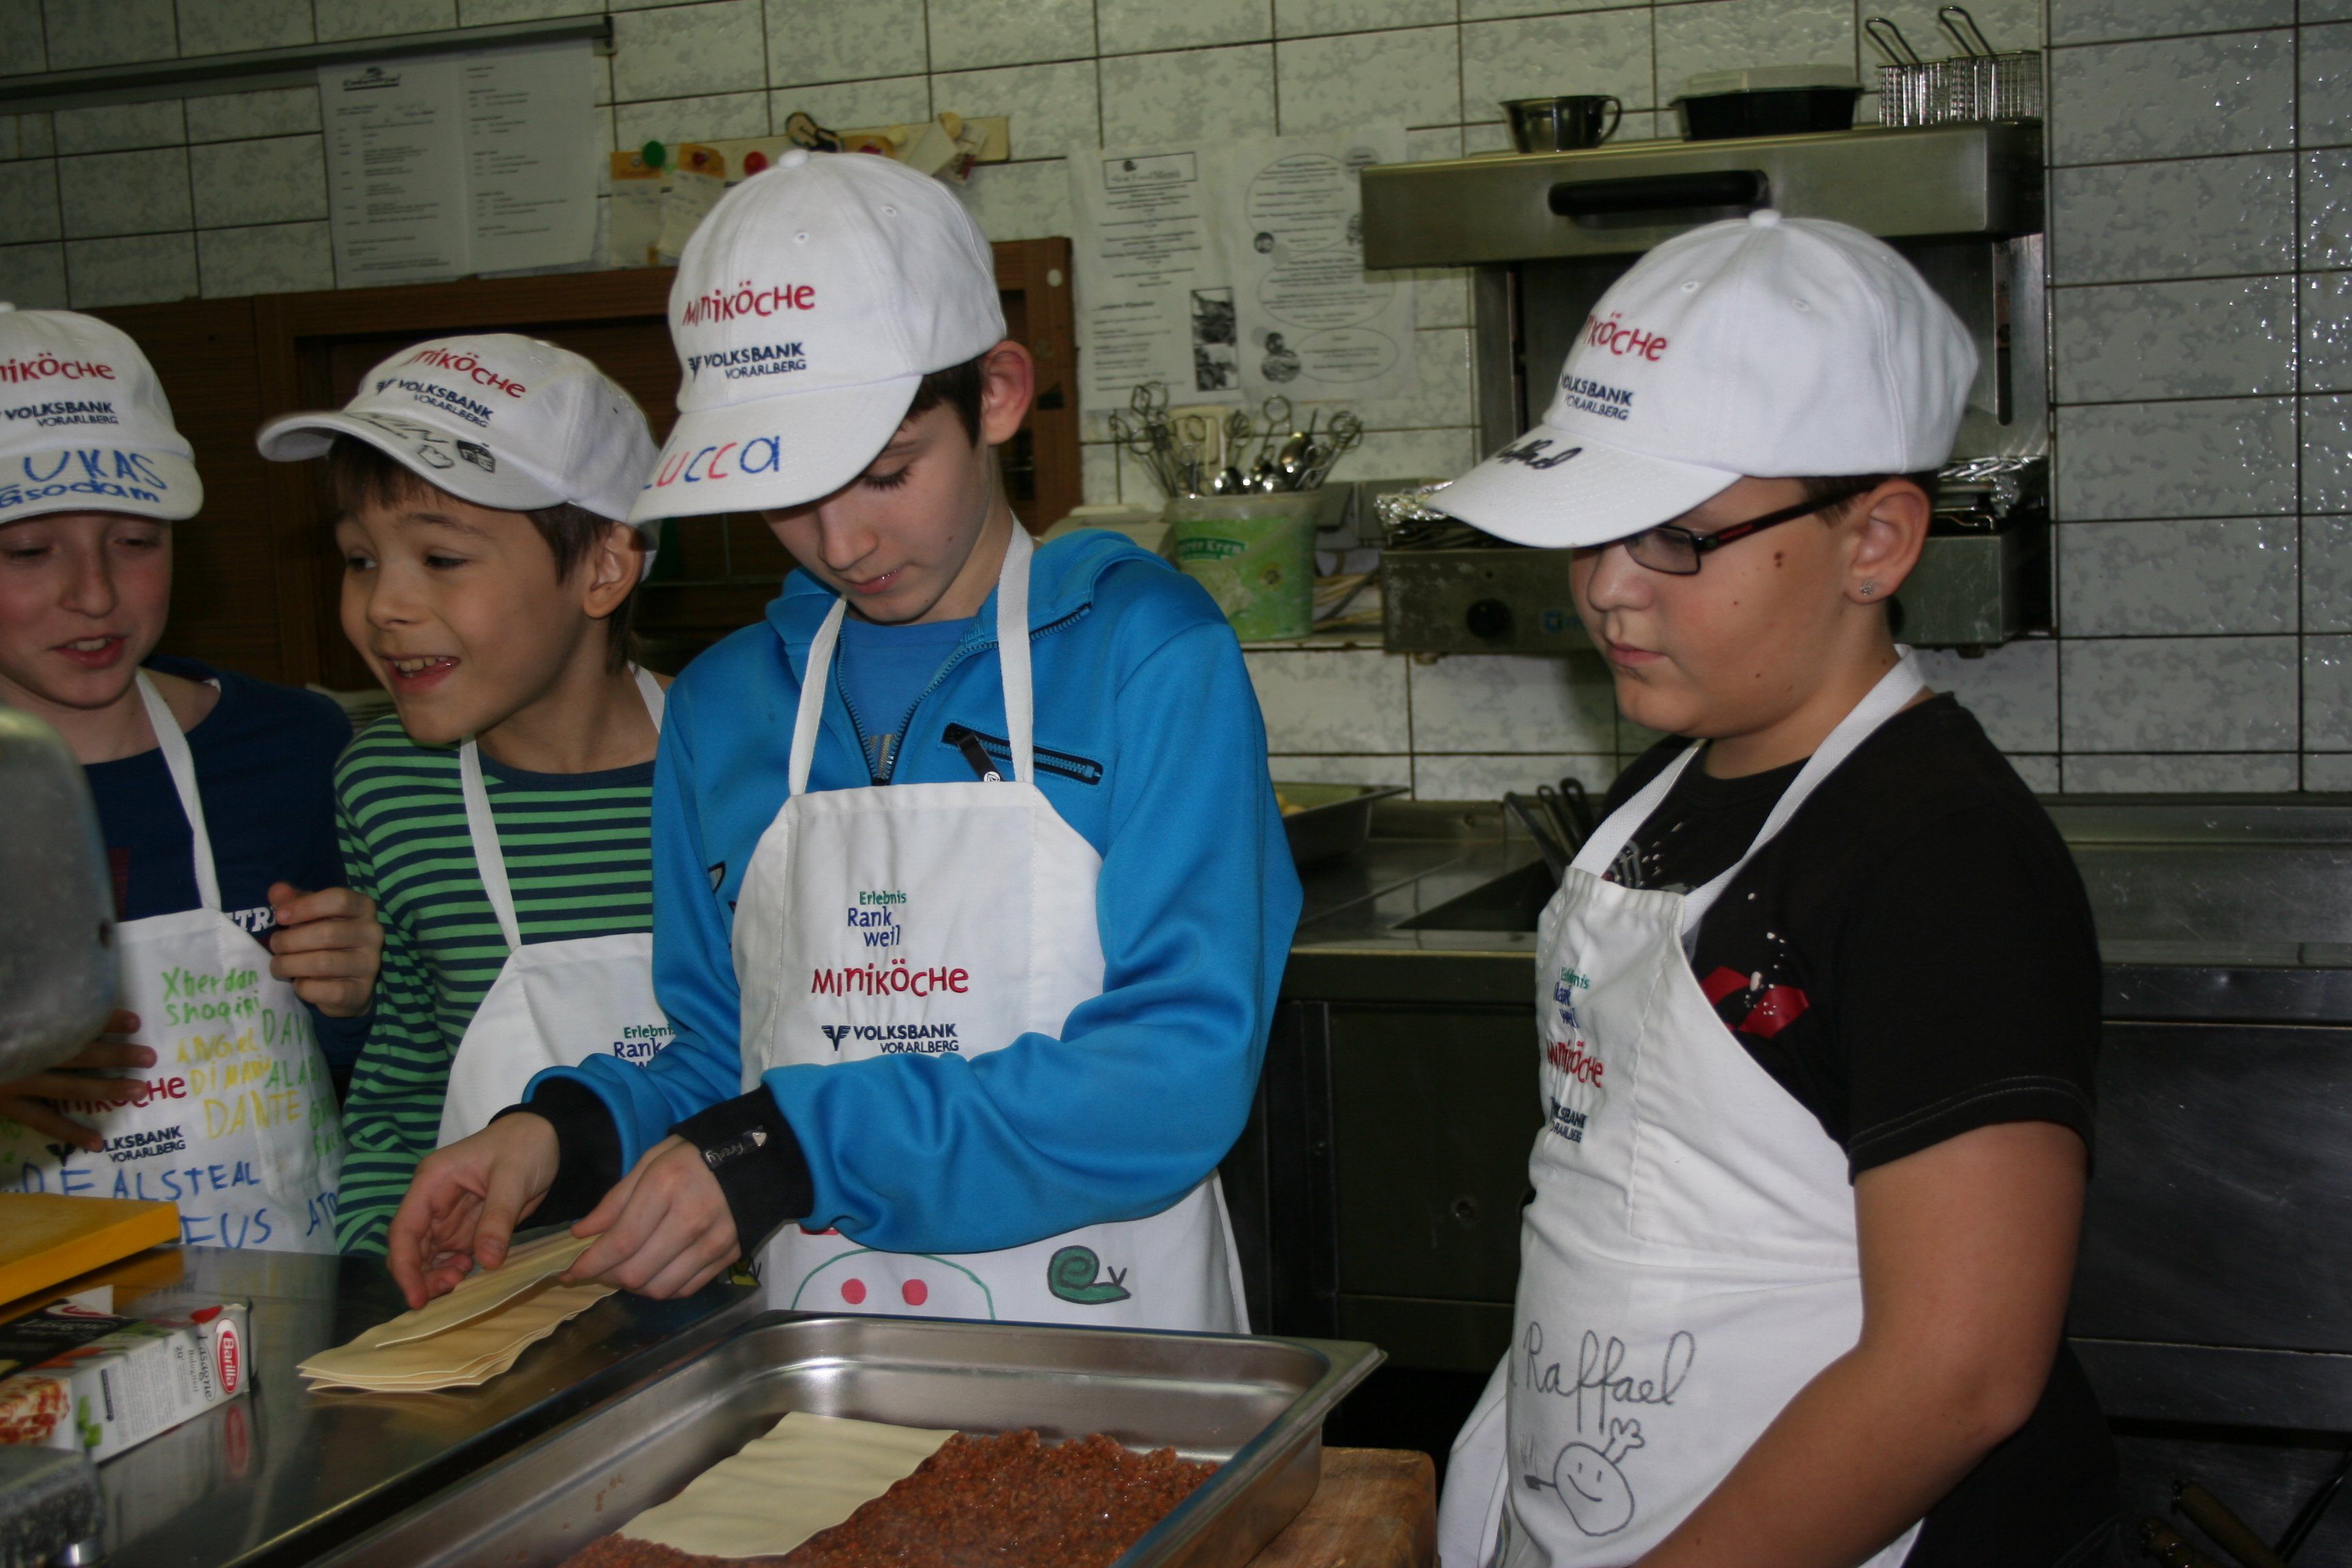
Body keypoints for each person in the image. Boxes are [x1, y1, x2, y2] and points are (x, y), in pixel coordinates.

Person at [387, 148, 1300, 1330]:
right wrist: (561, 1135)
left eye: (884, 474)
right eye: (784, 494)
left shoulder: (1145, 656)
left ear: (998, 396)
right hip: (824, 1356)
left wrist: (798, 1148)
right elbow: (720, 1053)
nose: (840, 543)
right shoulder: (727, 706)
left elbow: (1179, 1072)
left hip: (1107, 1346)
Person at [1432, 212, 2113, 1567]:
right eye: (1594, 529)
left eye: (1677, 539)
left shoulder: (1941, 859)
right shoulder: (1670, 785)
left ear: (1877, 542)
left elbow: (1960, 1371)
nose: (1608, 590)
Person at [255, 334, 664, 1255]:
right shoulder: (388, 788)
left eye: (439, 559)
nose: (383, 607)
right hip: (488, 1288)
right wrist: (377, 1274)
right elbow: (402, 1091)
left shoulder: (741, 760)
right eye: (360, 560)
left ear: (604, 567)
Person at [0, 303, 374, 1252]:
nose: (94, 593)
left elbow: (374, 1071)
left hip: (285, 1292)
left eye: (135, 542)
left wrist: (359, 993)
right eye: (28, 551)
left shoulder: (290, 749)